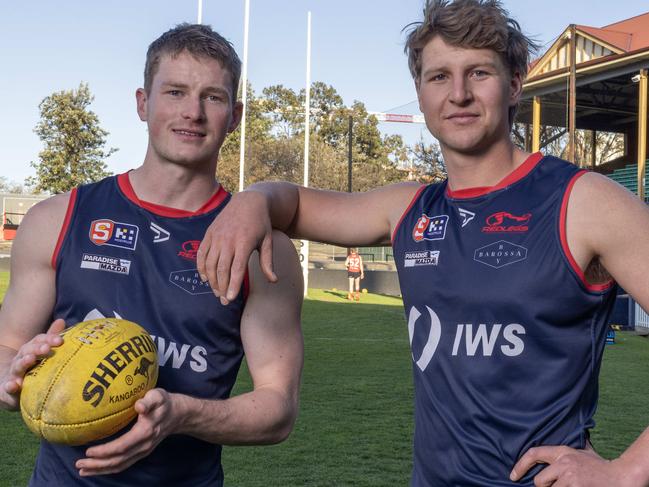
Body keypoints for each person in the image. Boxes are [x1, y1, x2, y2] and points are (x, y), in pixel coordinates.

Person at [196, 1, 649, 485]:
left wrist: (626, 471)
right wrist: (252, 200)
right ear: (420, 90)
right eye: (438, 77)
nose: (458, 94)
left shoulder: (584, 202)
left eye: (478, 73)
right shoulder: (408, 208)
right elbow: (291, 204)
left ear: (514, 83)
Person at [0, 24, 304, 486]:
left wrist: (180, 415)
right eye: (176, 92)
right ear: (143, 103)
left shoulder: (266, 251)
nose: (193, 113)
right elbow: (6, 345)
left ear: (236, 115)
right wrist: (12, 372)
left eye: (213, 97)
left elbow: (277, 408)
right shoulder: (56, 220)